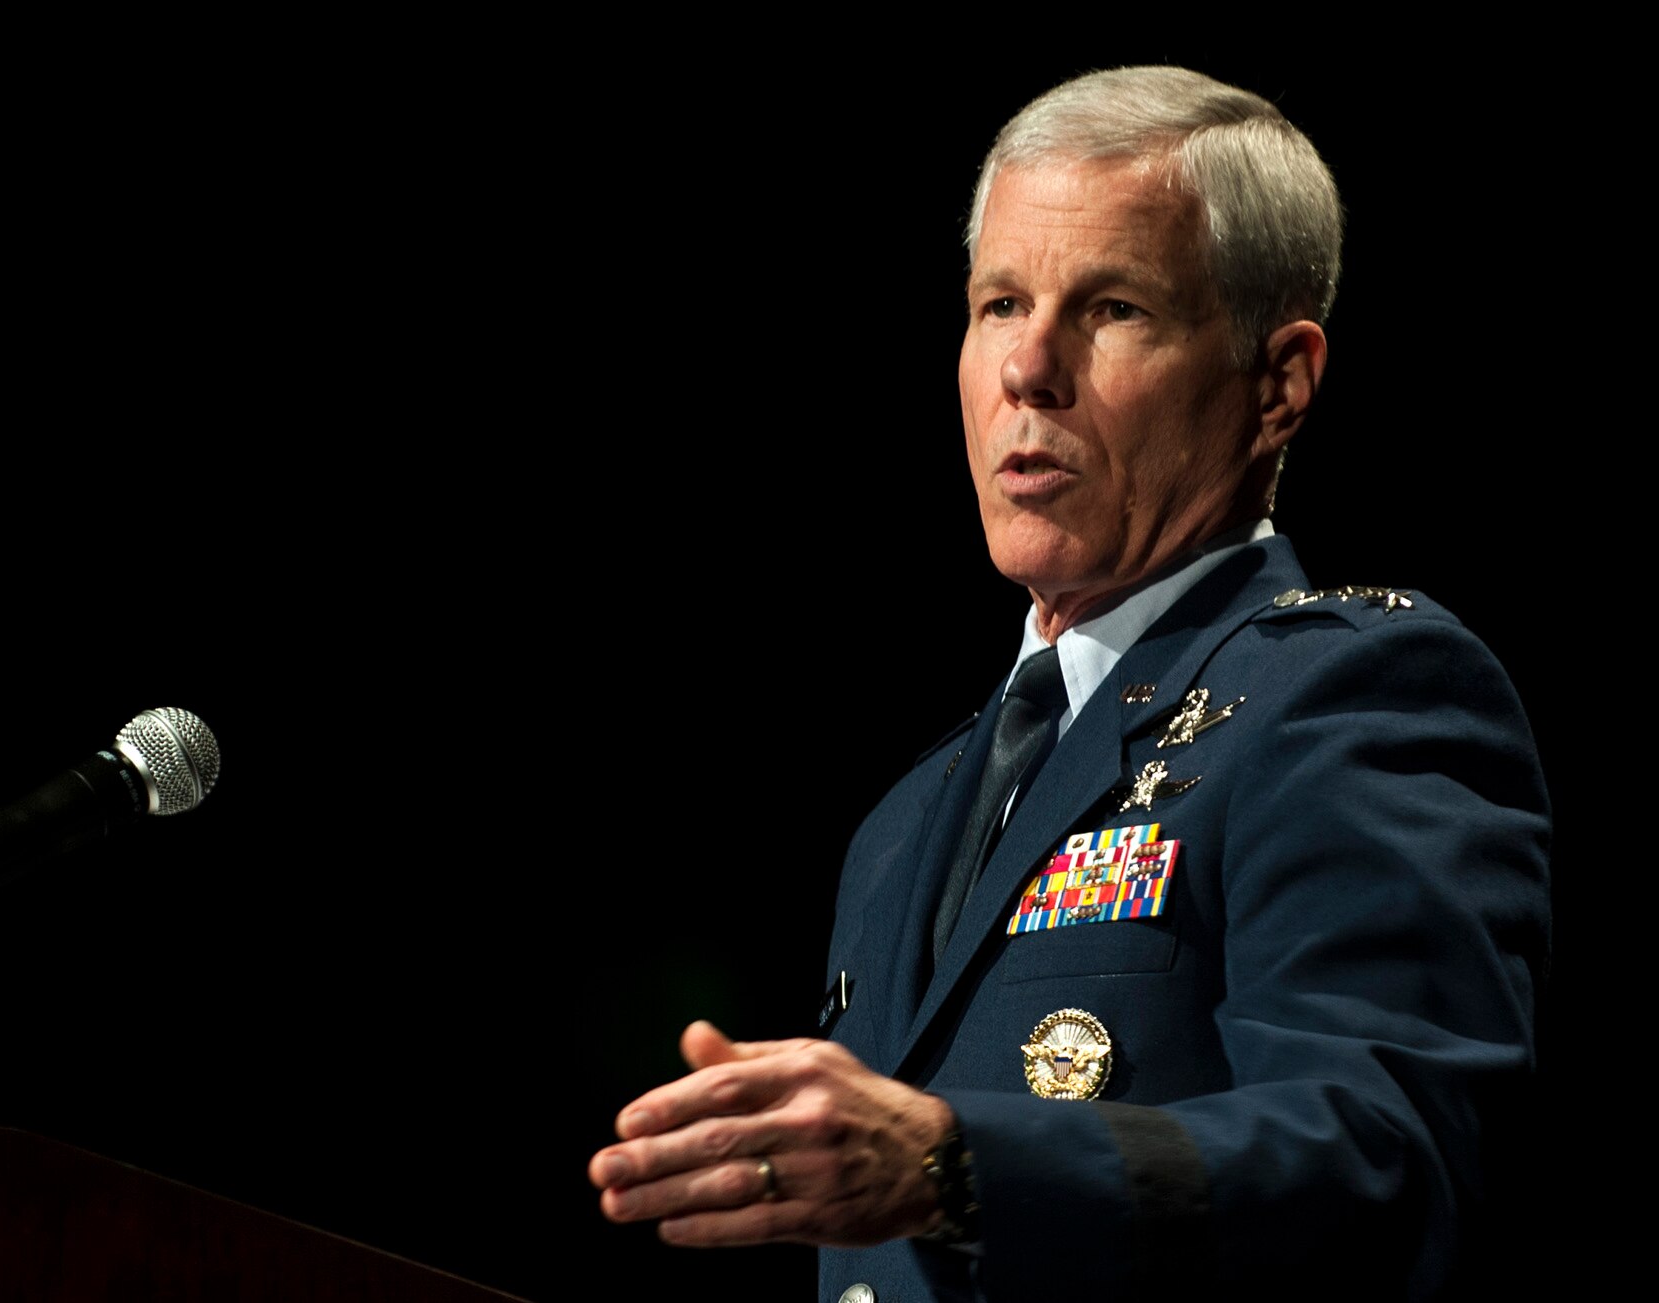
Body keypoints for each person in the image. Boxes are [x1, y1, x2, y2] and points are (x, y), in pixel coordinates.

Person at [587, 66, 1550, 1300]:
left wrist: (956, 1166)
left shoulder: (1354, 695)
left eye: (1110, 310)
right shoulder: (903, 823)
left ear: (1279, 382)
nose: (1026, 371)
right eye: (998, 303)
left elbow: (1389, 1160)